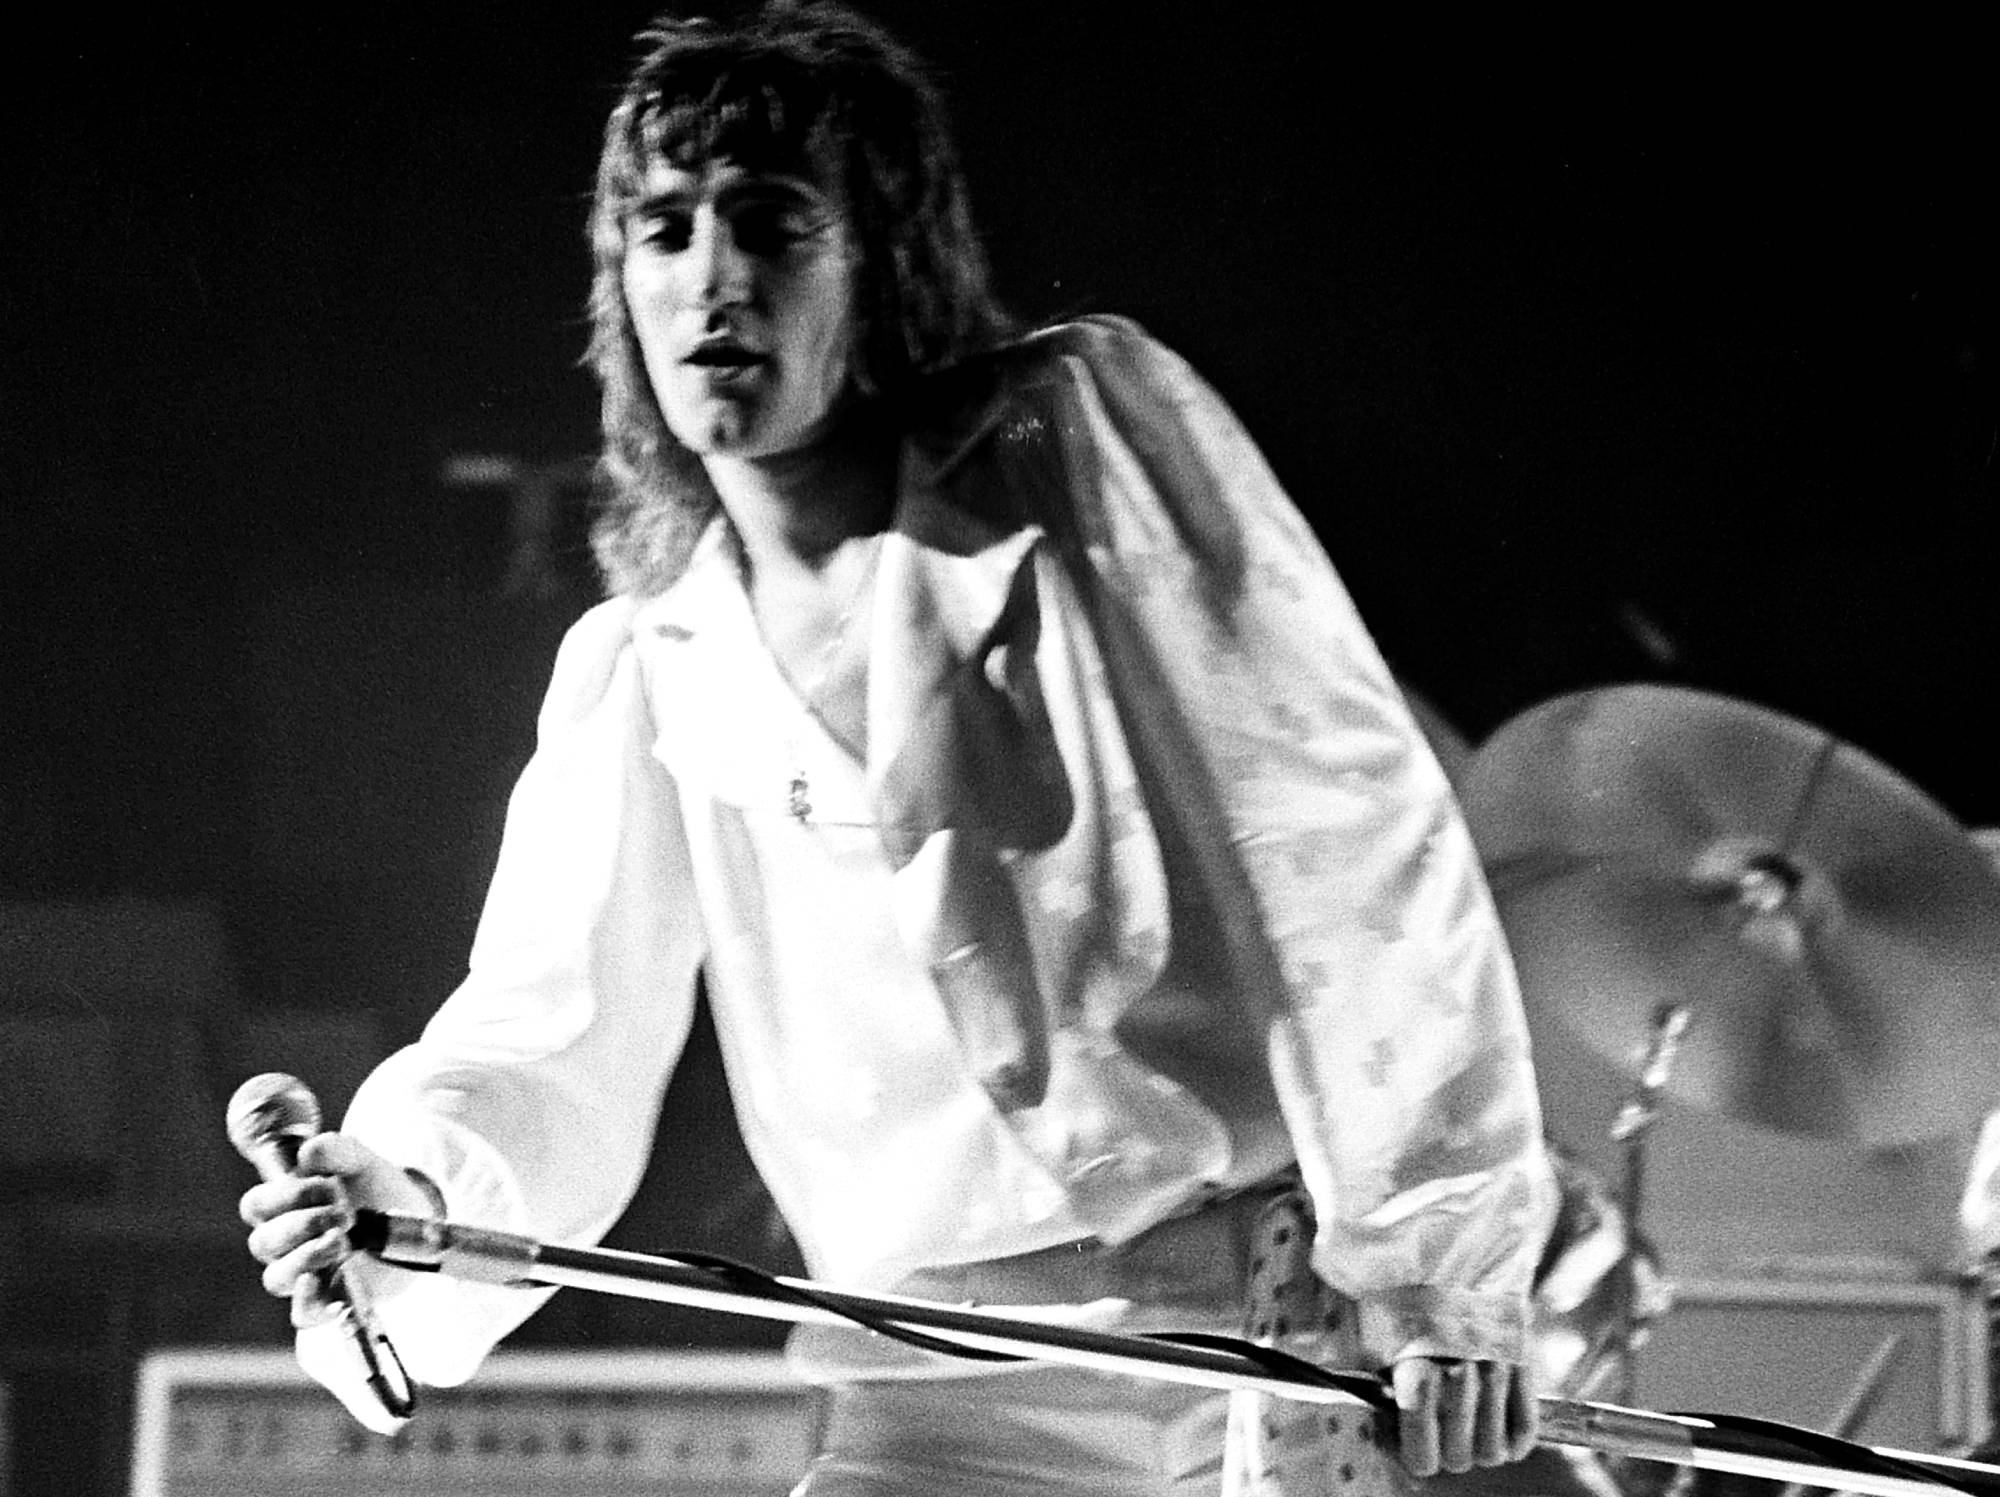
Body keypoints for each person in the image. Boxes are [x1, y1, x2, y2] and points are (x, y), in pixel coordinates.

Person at [239, 5, 1557, 1492]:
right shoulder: (652, 664)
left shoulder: (1073, 455)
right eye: (664, 231)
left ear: (883, 261)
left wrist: (1441, 1263)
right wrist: (401, 1200)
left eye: (771, 224)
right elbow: (545, 1042)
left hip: (1245, 1346)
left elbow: (1345, 843)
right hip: (916, 1379)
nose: (713, 279)